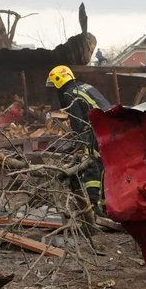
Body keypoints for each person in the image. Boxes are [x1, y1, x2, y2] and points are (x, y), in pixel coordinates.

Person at [47, 65, 112, 216]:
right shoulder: (85, 86)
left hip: (96, 130)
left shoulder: (69, 94)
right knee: (105, 166)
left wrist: (80, 145)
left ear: (58, 81)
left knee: (91, 165)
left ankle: (94, 208)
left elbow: (79, 123)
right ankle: (106, 206)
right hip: (109, 127)